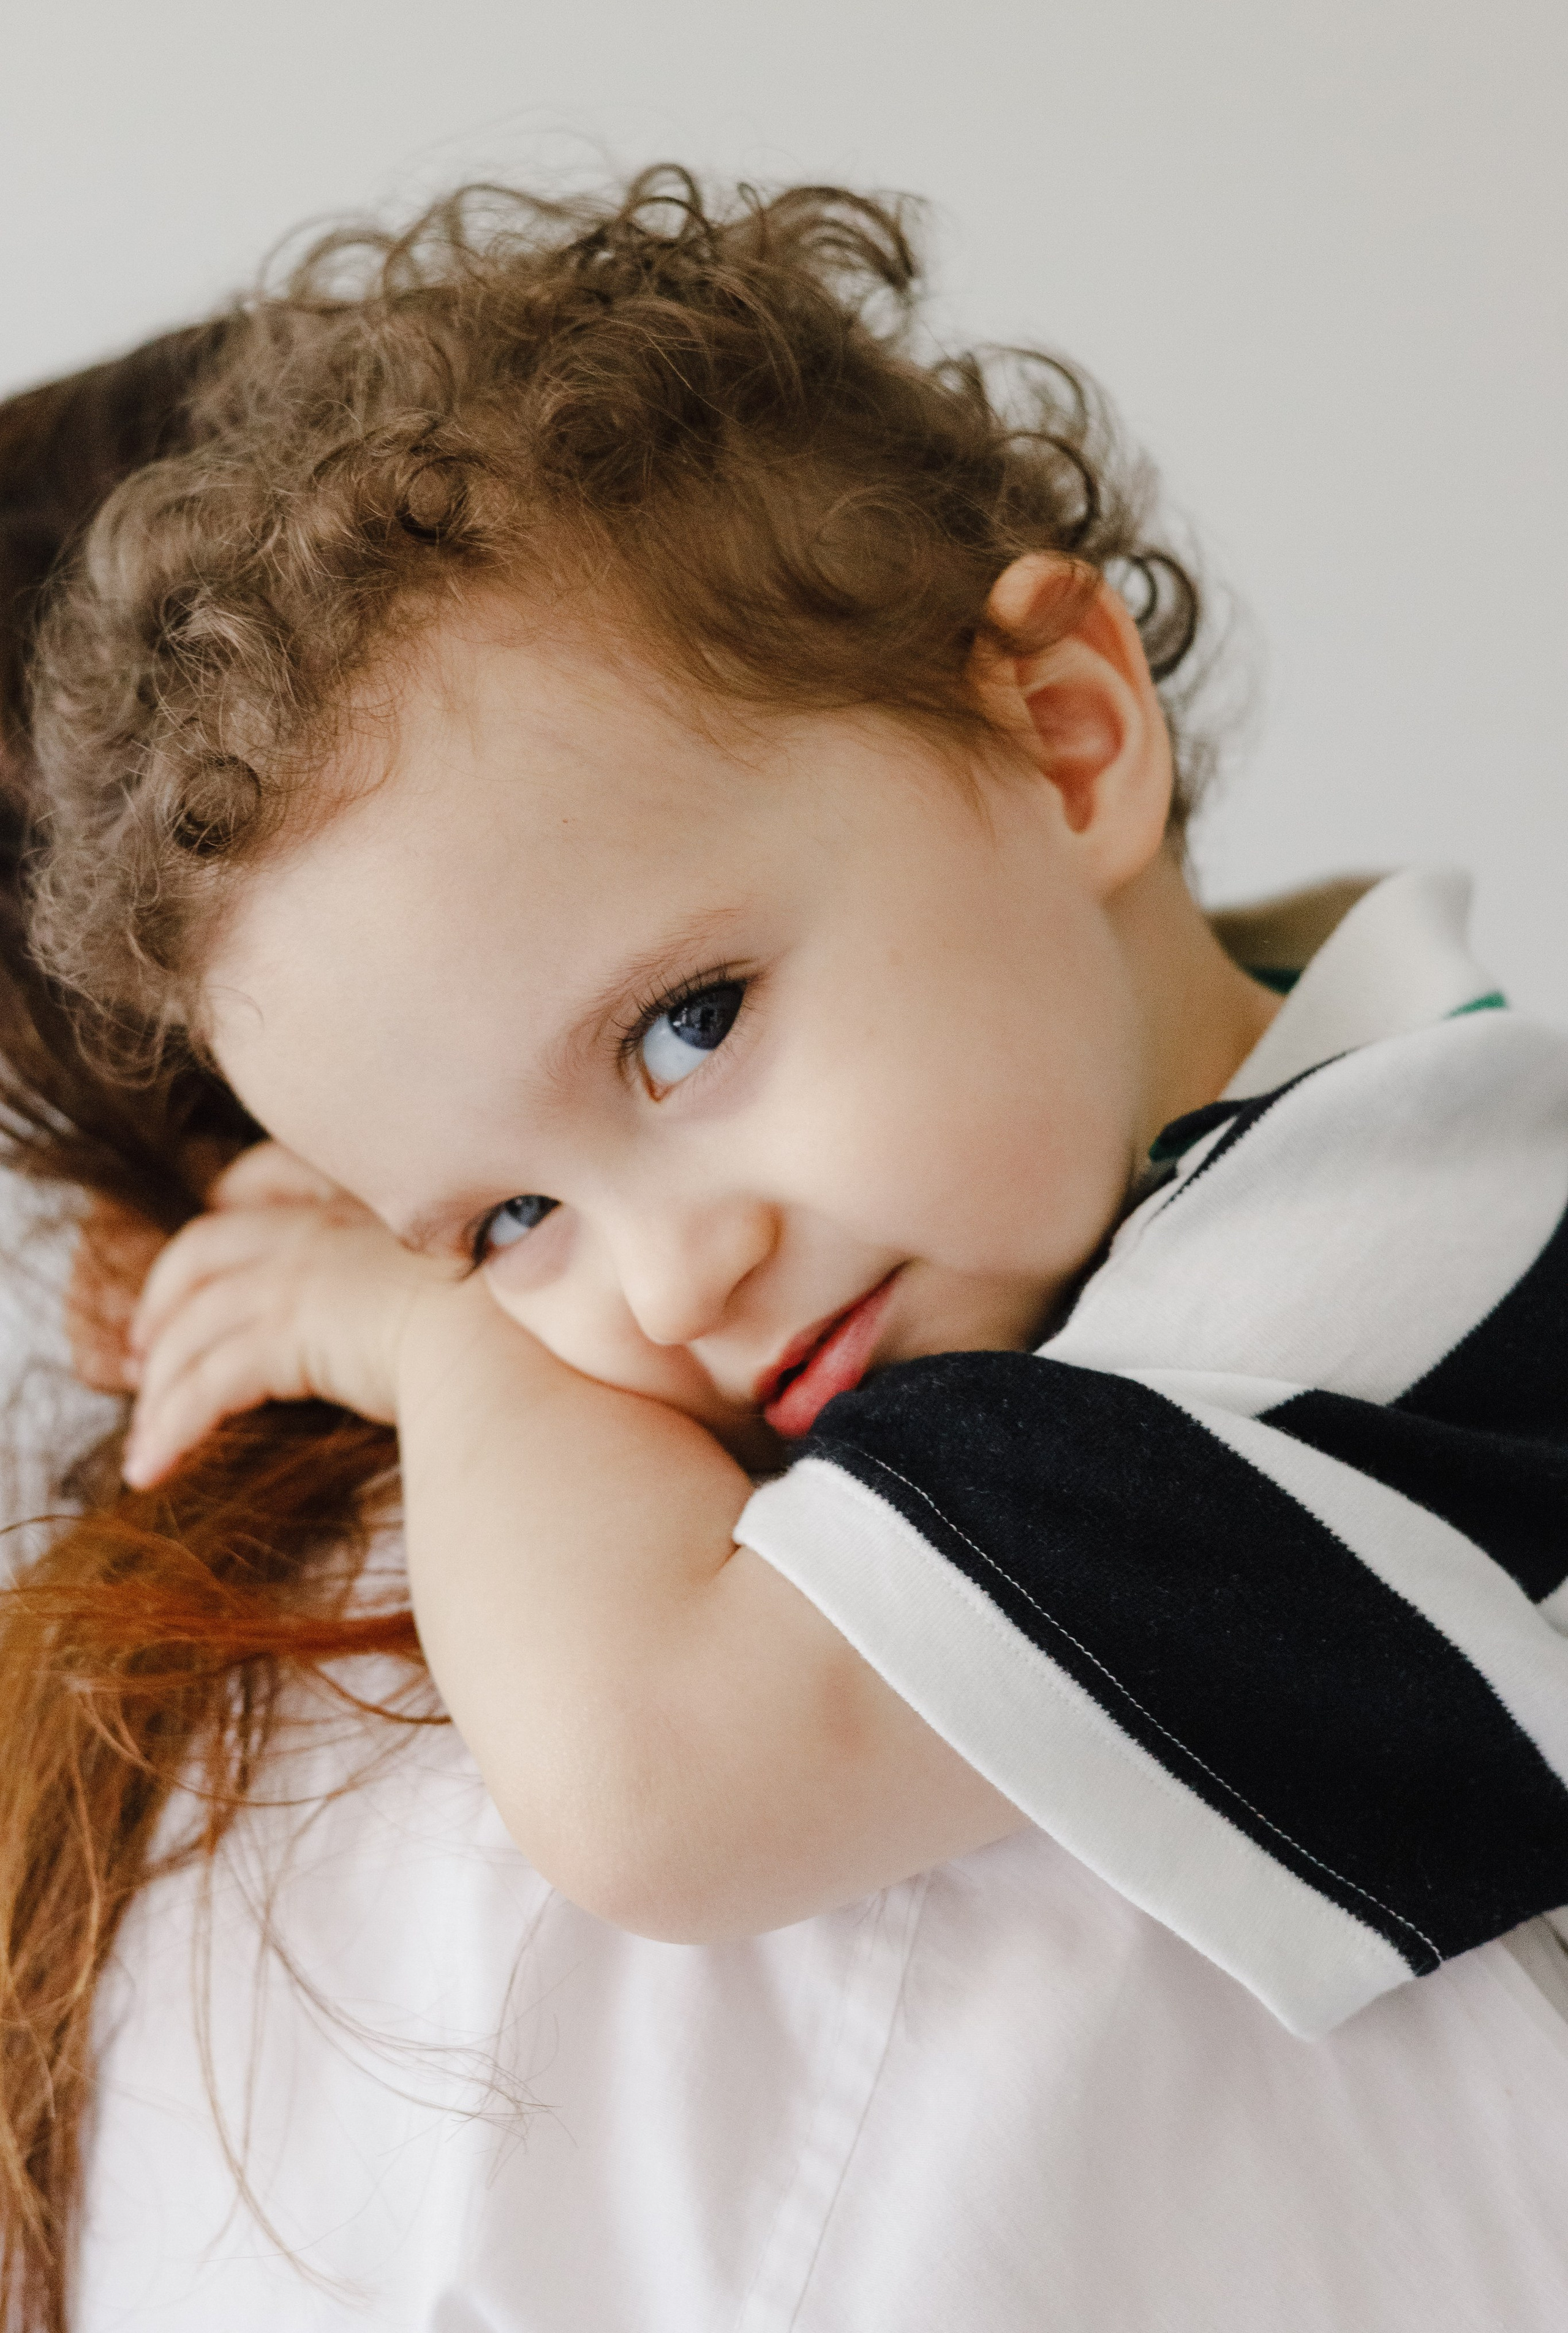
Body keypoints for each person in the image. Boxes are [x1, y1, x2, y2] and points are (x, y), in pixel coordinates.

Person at [9, 170, 1568, 2331]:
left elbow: (661, 1778)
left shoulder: (1356, 1285)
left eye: (687, 1024)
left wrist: (431, 1335)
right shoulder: (1316, 1117)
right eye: (510, 1219)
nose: (669, 1286)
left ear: (1061, 734)